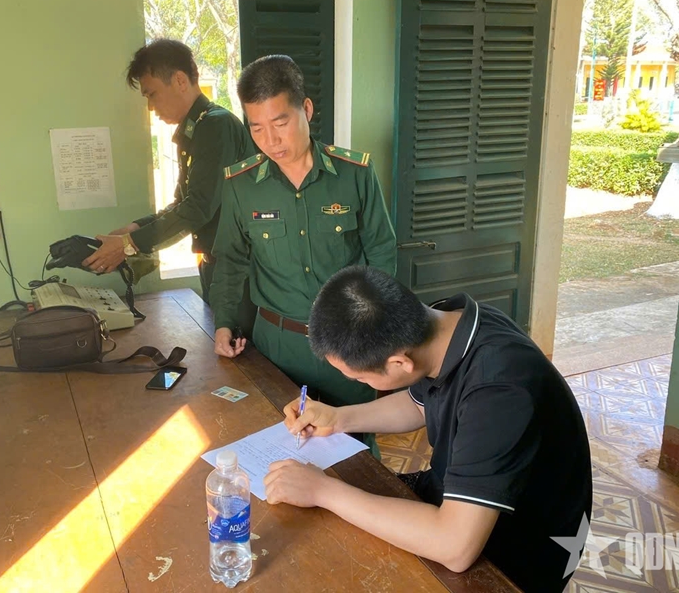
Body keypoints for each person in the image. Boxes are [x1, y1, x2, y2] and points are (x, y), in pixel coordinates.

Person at [264, 266, 593, 593]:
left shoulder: (500, 392)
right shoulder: (444, 324)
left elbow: (455, 547)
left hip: (516, 549)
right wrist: (338, 418)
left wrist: (322, 491)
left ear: (399, 363)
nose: (357, 382)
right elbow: (418, 404)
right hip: (459, 500)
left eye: (360, 377)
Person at [208, 55, 397, 414]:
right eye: (257, 128)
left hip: (347, 342)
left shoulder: (355, 174)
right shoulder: (241, 185)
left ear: (306, 110)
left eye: (280, 123)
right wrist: (224, 323)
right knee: (278, 435)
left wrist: (374, 328)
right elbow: (230, 260)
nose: (271, 140)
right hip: (278, 347)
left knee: (354, 438)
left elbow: (382, 254)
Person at [83, 39, 256, 332]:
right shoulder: (193, 130)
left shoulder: (215, 125)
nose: (151, 107)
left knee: (238, 351)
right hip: (216, 265)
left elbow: (198, 208)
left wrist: (129, 246)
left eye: (152, 94)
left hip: (238, 271)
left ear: (179, 81)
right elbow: (182, 203)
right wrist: (133, 229)